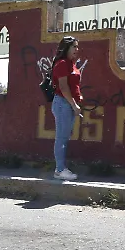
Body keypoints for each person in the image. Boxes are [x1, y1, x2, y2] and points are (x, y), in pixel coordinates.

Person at [51, 36, 85, 181]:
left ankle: (60, 169)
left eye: (77, 47)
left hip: (67, 104)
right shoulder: (62, 64)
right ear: (66, 48)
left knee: (64, 137)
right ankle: (59, 170)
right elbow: (63, 87)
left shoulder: (71, 64)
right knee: (62, 138)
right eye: (74, 47)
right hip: (63, 104)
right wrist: (74, 105)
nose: (77, 49)